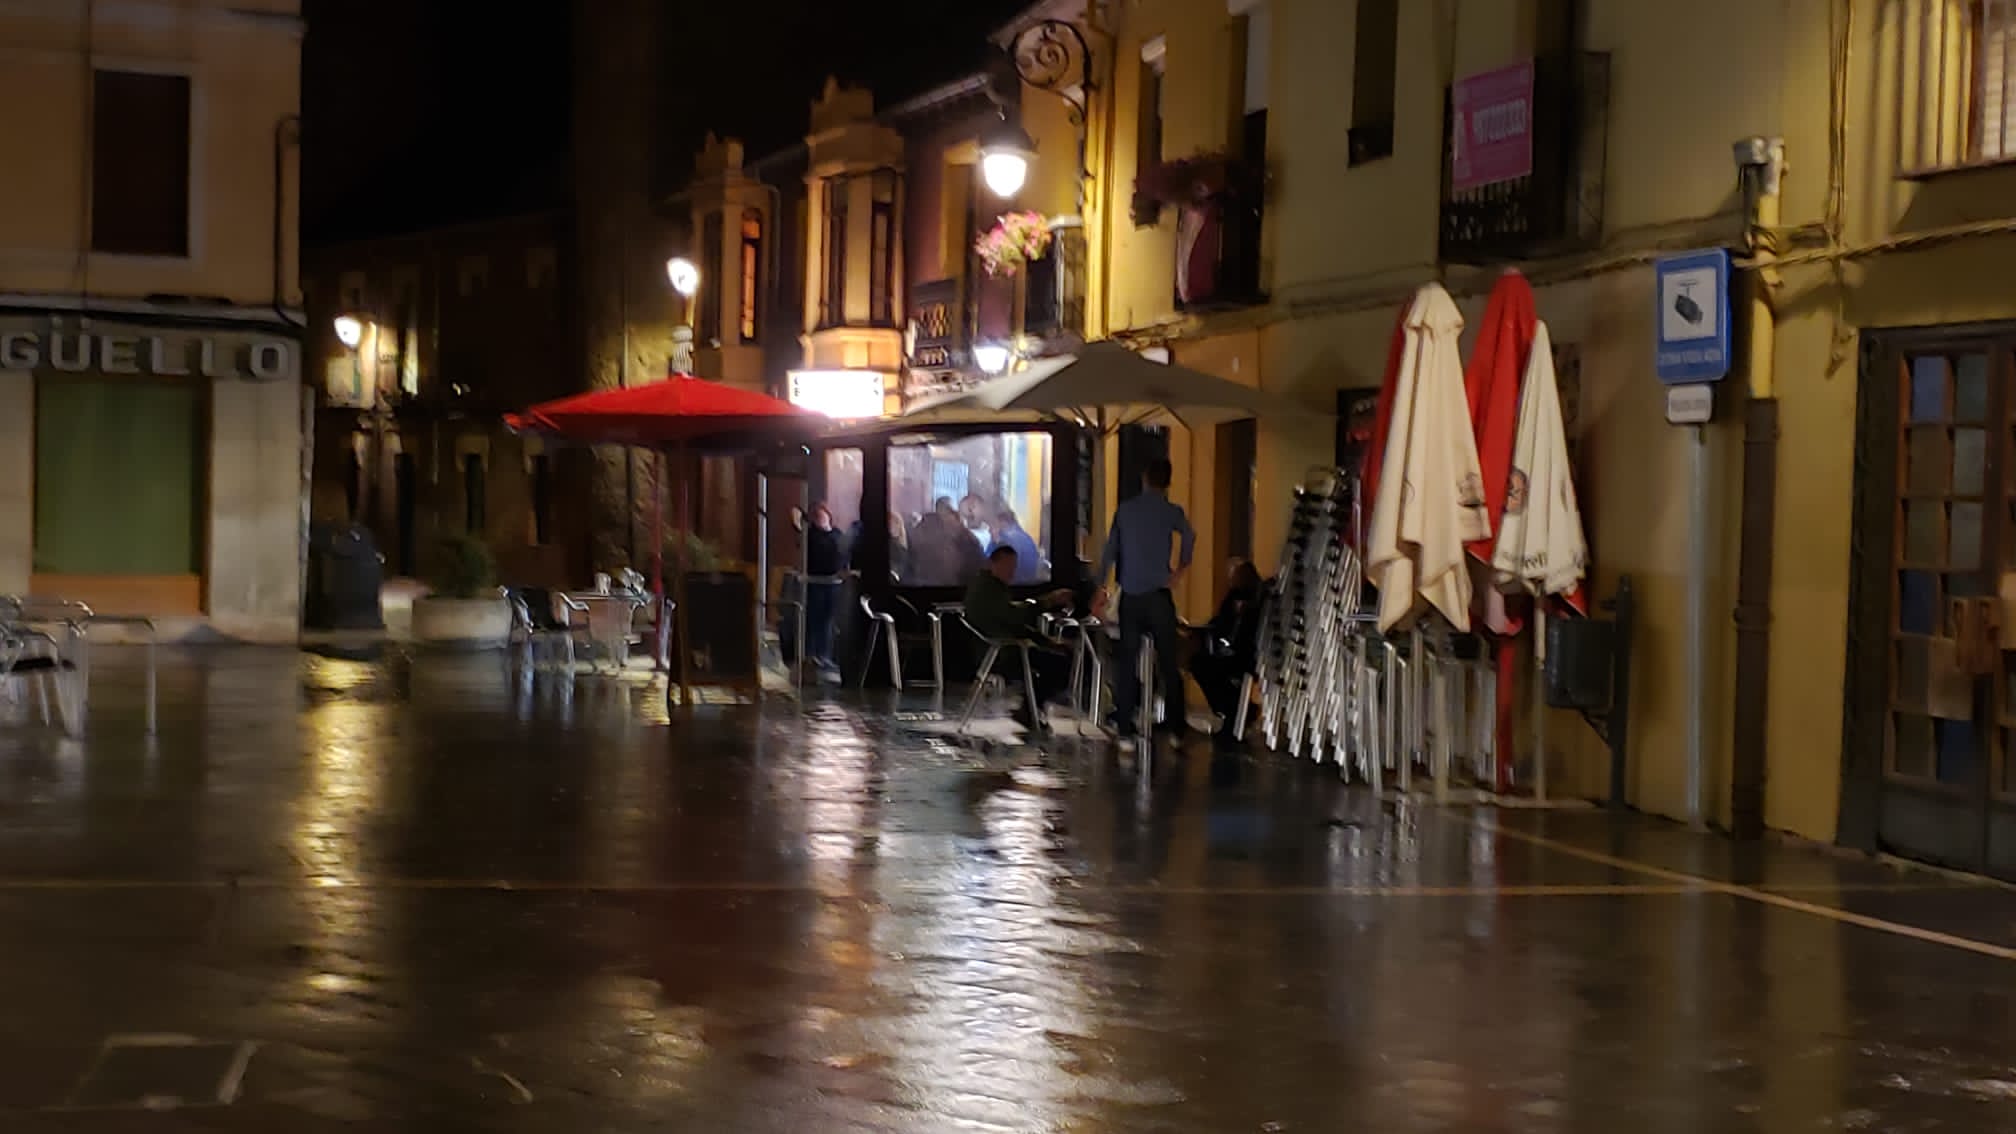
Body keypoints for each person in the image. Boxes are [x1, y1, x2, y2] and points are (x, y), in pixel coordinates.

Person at [1096, 458, 1195, 749]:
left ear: (1144, 478)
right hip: (1160, 596)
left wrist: (1100, 587)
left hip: (1133, 596)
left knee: (1127, 663)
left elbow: (1110, 551)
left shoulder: (1125, 512)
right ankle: (1177, 730)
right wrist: (1180, 570)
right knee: (1168, 662)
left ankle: (1125, 730)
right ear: (1167, 482)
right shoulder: (1172, 512)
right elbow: (1189, 535)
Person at [963, 545, 1075, 730]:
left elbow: (1012, 621)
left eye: (1013, 567)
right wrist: (1048, 602)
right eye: (1007, 566)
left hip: (998, 648)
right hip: (1002, 653)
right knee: (1059, 665)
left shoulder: (988, 587)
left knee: (1056, 660)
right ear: (992, 564)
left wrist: (1046, 641)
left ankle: (1030, 708)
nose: (1011, 572)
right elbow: (1014, 617)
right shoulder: (988, 591)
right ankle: (1030, 709)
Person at [1189, 560, 1265, 747]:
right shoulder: (1232, 598)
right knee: (1199, 663)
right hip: (1228, 651)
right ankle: (1231, 709)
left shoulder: (1258, 600)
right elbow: (1220, 621)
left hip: (1246, 653)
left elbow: (1249, 631)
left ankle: (1234, 711)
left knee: (1208, 667)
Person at [804, 503, 843, 671]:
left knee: (828, 622)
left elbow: (843, 555)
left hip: (833, 583)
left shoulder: (837, 534)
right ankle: (811, 656)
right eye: (817, 516)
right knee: (815, 620)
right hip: (815, 582)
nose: (821, 518)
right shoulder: (811, 535)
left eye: (823, 515)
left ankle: (825, 655)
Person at [990, 509, 1042, 583]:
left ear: (1003, 523)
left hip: (1015, 585)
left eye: (995, 524)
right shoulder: (1025, 536)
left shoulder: (1007, 538)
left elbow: (1002, 566)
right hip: (1029, 583)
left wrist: (995, 541)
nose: (991, 529)